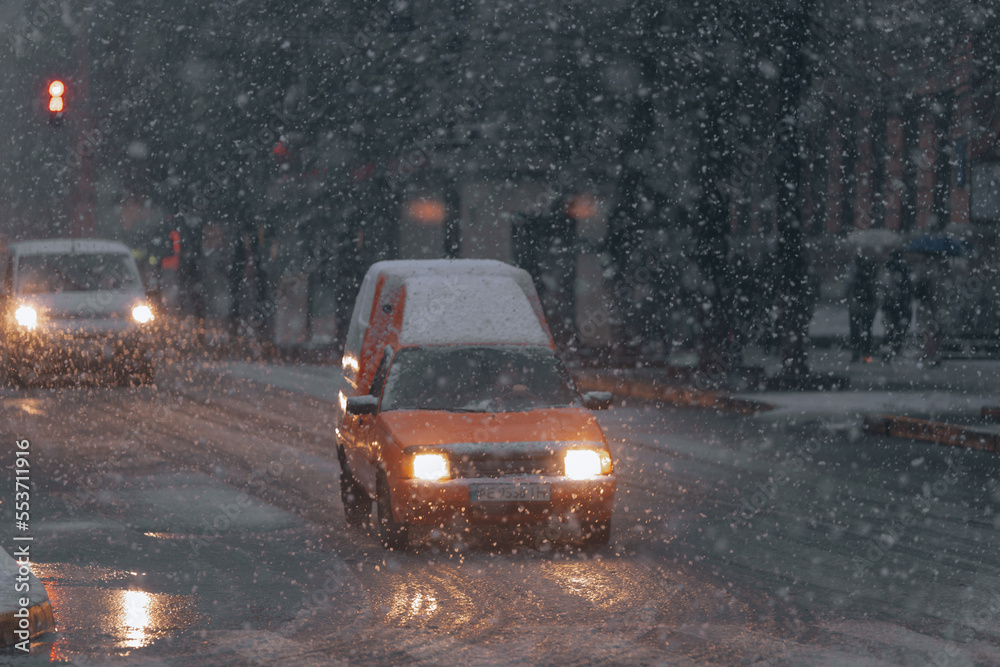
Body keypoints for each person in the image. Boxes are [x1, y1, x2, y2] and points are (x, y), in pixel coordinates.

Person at [846, 253, 878, 362]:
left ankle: (855, 354)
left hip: (856, 305)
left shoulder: (853, 271)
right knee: (867, 329)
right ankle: (867, 355)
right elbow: (877, 288)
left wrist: (848, 299)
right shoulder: (873, 270)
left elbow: (847, 286)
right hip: (869, 306)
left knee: (855, 330)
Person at [881, 250, 912, 359]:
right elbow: (908, 288)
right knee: (899, 328)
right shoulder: (905, 269)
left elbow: (885, 286)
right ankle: (896, 348)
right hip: (901, 305)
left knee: (890, 328)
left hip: (891, 304)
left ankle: (889, 349)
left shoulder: (889, 269)